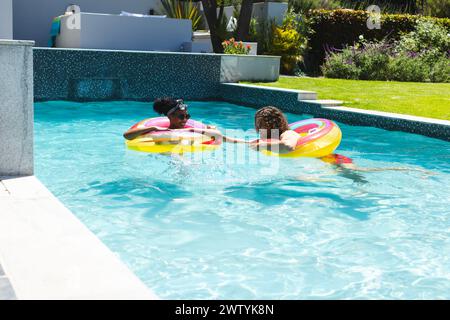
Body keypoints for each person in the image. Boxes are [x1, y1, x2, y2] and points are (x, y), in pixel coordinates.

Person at [123, 98, 192, 140]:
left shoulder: (190, 130)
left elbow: (203, 131)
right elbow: (127, 135)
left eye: (187, 116)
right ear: (170, 116)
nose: (185, 120)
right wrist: (153, 128)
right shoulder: (158, 132)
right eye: (181, 117)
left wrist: (190, 130)